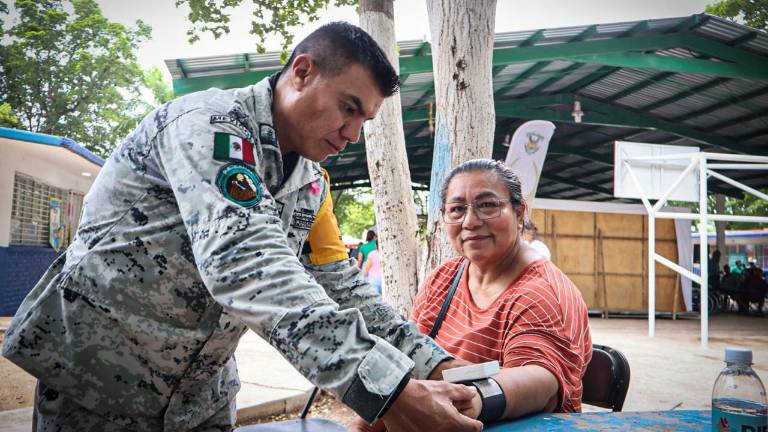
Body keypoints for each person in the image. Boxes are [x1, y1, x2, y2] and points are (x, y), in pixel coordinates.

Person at [2, 23, 481, 432]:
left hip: (199, 401)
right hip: (100, 386)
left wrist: (435, 363)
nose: (353, 134)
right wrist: (385, 389)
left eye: (365, 119)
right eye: (348, 107)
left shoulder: (311, 183)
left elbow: (341, 285)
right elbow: (246, 262)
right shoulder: (206, 125)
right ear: (302, 72)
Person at [411, 159, 592, 422]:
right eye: (457, 209)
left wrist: (476, 399)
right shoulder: (443, 279)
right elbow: (411, 354)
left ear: (519, 213)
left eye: (487, 205)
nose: (470, 222)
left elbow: (541, 381)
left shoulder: (541, 294)